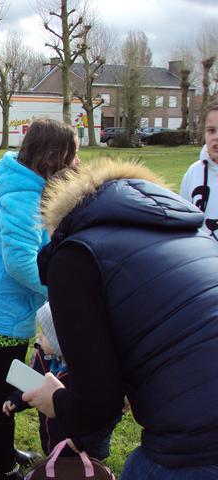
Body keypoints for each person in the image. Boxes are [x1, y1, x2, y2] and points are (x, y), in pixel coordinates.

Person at [23, 158, 218, 479]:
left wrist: (55, 400)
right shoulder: (185, 225)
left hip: (196, 438)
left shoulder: (75, 253)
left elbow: (97, 406)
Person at [0, 118, 80, 479]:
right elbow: (19, 263)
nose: (76, 162)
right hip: (0, 312)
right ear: (52, 157)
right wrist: (57, 288)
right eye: (72, 156)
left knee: (14, 379)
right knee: (5, 387)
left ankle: (4, 448)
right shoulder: (22, 199)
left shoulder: (34, 190)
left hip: (12, 310)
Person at [3, 303, 122, 461]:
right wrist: (17, 399)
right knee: (57, 465)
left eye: (45, 334)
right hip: (53, 439)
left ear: (63, 340)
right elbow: (36, 384)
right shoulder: (45, 357)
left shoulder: (89, 376)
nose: (39, 336)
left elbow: (107, 416)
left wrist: (84, 441)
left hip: (82, 450)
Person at [180, 101, 218, 239]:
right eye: (211, 130)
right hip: (202, 257)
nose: (216, 137)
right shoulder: (194, 172)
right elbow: (183, 220)